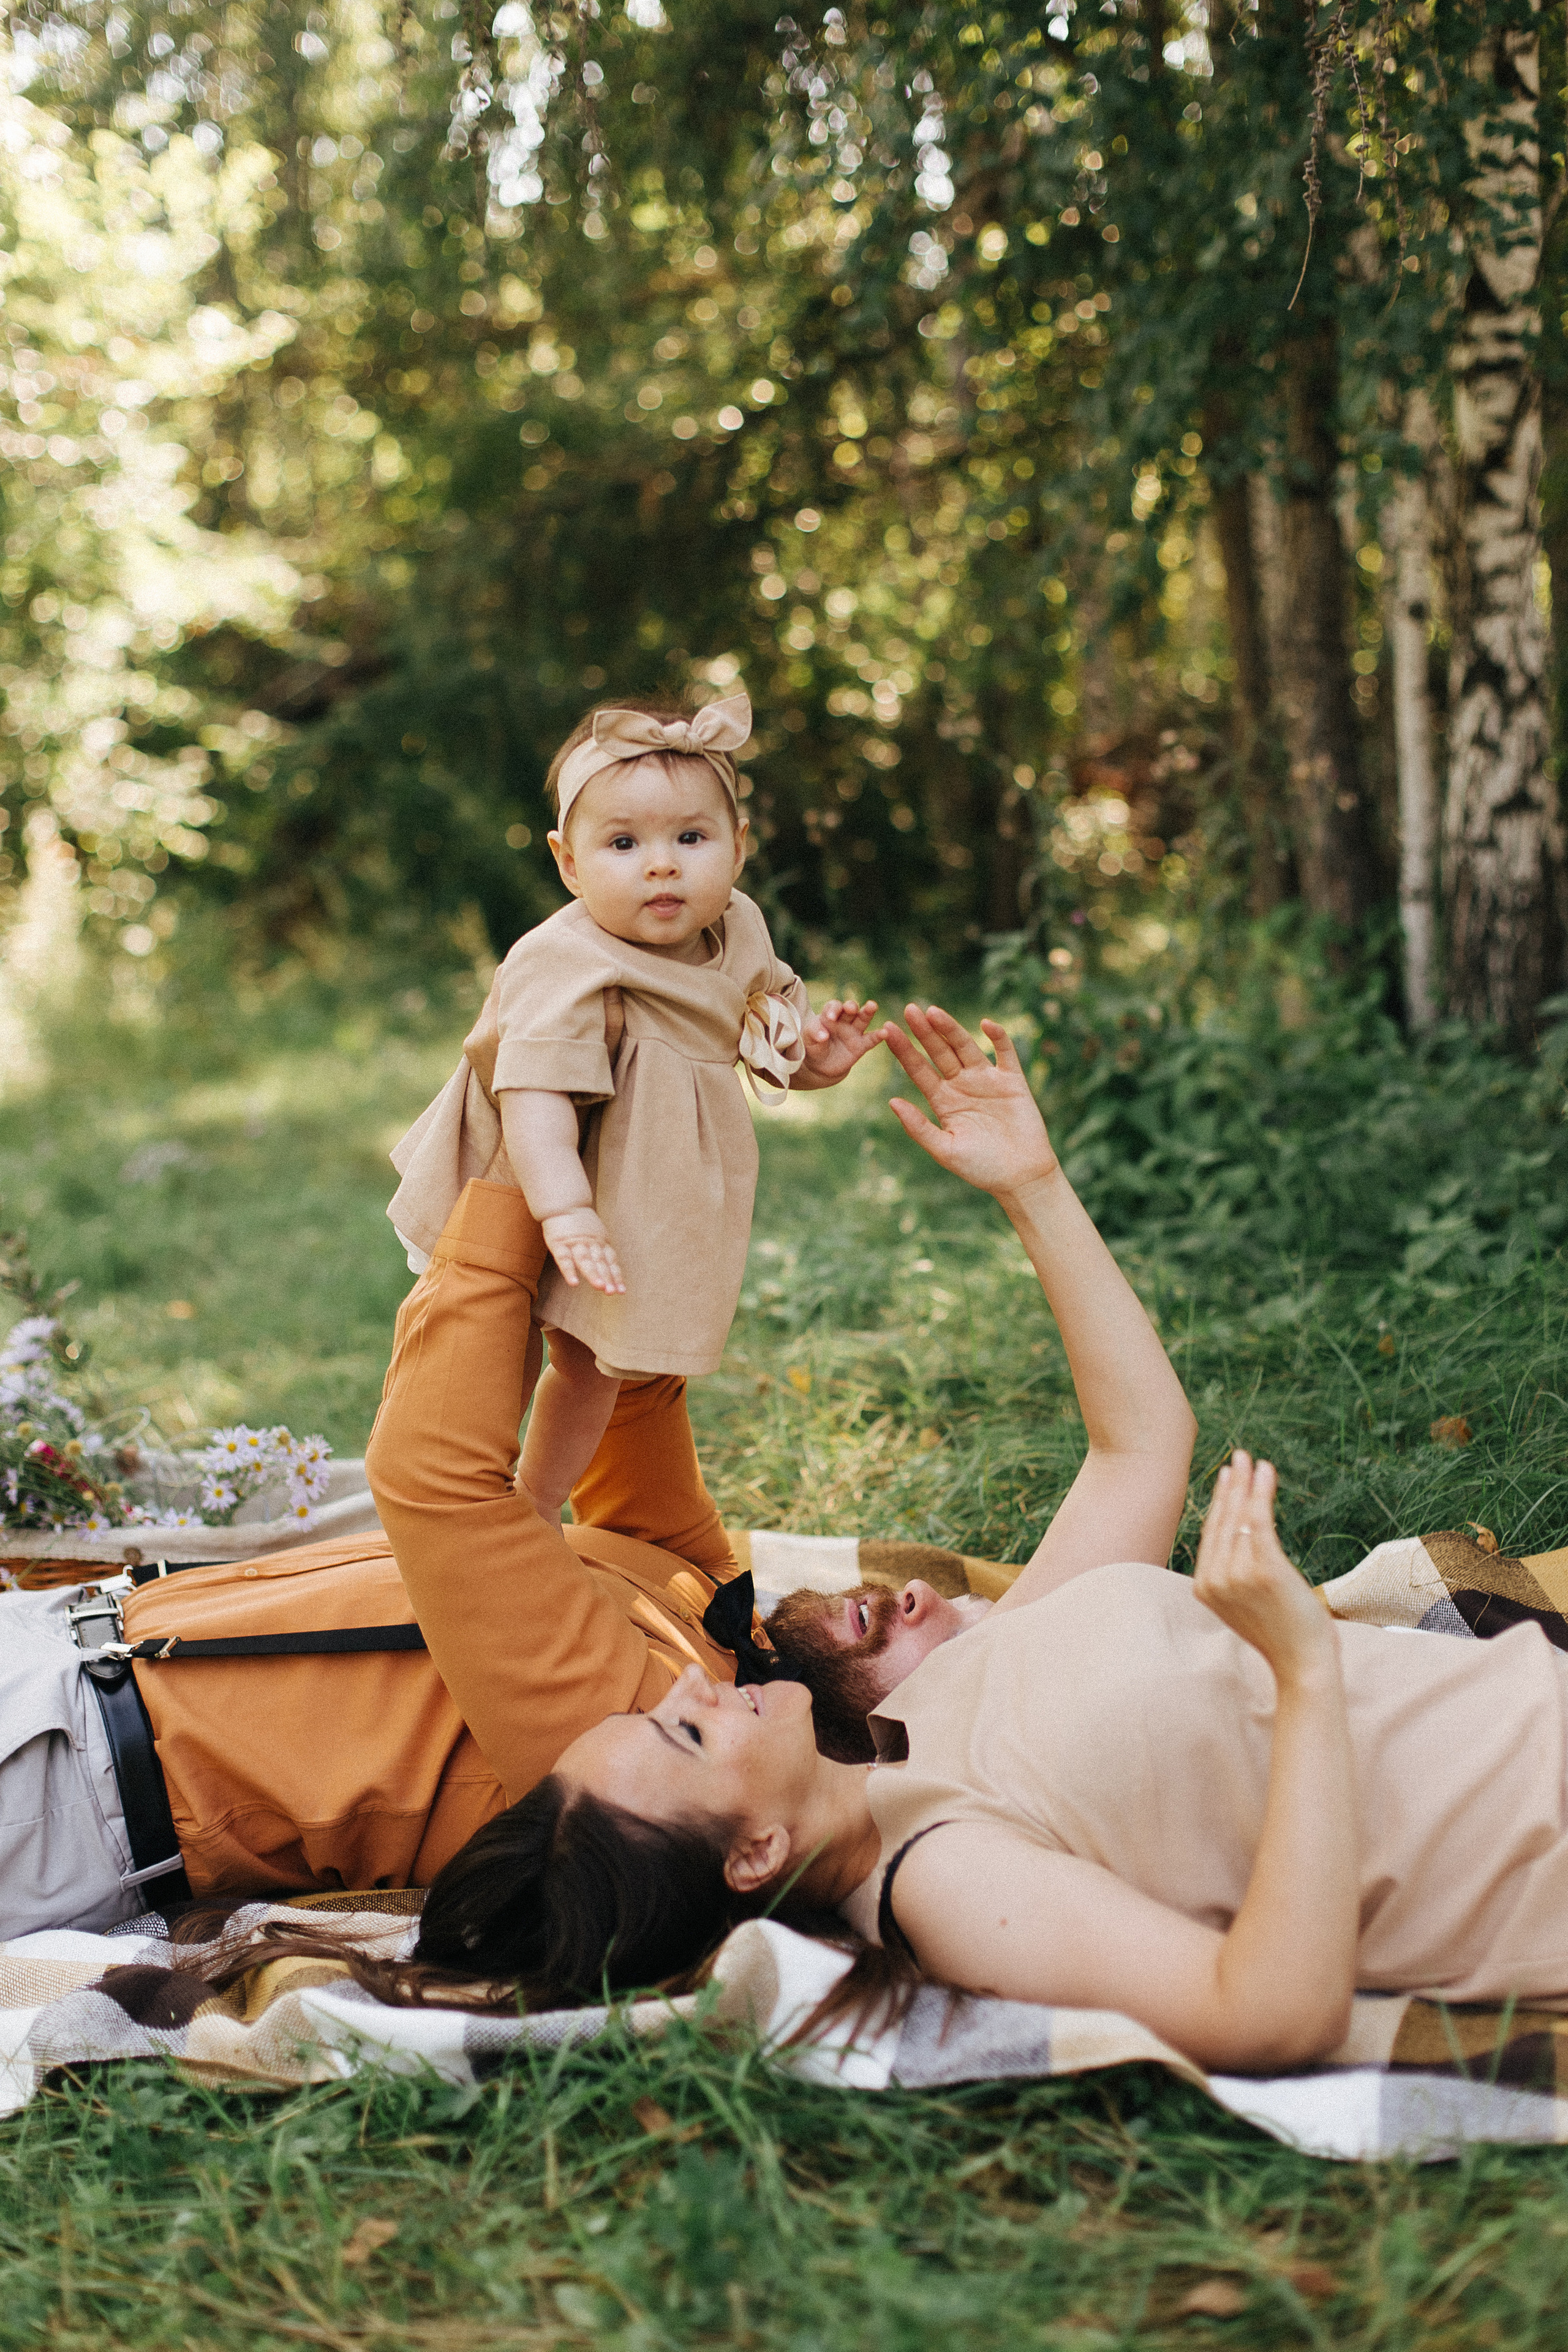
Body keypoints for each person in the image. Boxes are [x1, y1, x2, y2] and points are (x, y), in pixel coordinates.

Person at [409, 1008, 1568, 2072]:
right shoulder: (942, 1879)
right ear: (754, 1853)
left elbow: (1139, 1446)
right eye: (685, 1734)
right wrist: (1303, 1669)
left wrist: (1033, 1185)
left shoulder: (933, 1709)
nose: (704, 1690)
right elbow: (1267, 2018)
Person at [386, 692, 883, 1520]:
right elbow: (534, 1098)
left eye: (690, 838)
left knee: (594, 1364)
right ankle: (458, 1499)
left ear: (738, 848)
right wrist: (566, 1211)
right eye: (623, 843)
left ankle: (538, 1506)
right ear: (569, 863)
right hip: (518, 1184)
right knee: (486, 1348)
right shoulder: (565, 960)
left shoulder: (738, 931)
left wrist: (812, 1060)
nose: (661, 864)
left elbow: (758, 1029)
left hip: (637, 1191)